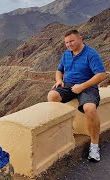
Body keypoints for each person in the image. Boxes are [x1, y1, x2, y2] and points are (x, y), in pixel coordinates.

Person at [47, 29, 106, 162]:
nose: (69, 44)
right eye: (67, 42)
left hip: (87, 87)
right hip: (68, 86)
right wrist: (59, 81)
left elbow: (102, 75)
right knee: (52, 96)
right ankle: (64, 132)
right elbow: (59, 70)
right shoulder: (66, 54)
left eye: (72, 41)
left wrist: (82, 86)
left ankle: (94, 146)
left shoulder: (91, 54)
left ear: (80, 38)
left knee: (90, 108)